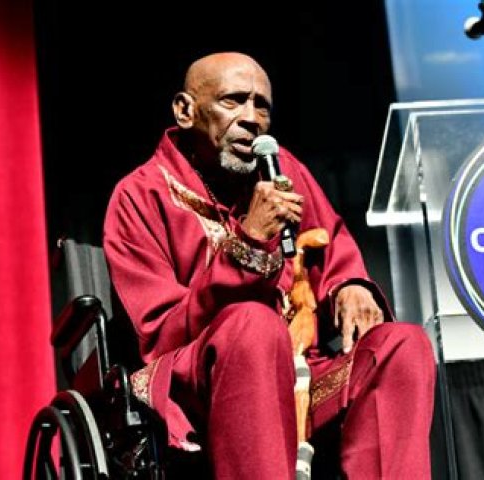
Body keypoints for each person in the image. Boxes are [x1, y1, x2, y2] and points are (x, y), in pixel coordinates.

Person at [103, 51, 436, 479]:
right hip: (197, 383)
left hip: (301, 375)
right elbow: (161, 336)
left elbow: (331, 247)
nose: (251, 118)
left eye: (261, 105)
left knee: (402, 346)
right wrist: (248, 242)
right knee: (254, 325)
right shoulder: (139, 196)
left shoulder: (281, 171)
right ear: (185, 111)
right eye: (233, 101)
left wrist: (351, 285)